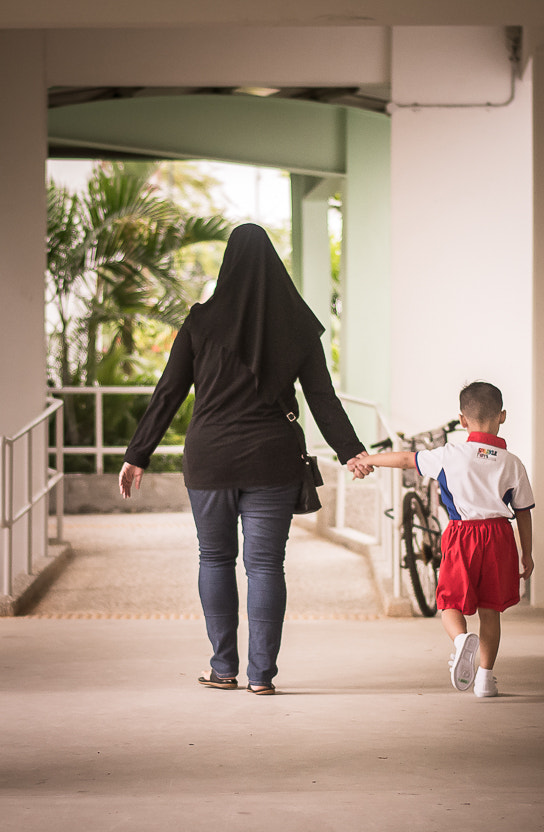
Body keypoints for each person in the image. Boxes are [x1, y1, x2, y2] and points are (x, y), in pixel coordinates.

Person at [119, 223, 369, 695]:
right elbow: (322, 398)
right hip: (272, 461)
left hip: (211, 457)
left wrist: (139, 454)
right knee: (266, 566)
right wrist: (350, 451)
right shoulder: (298, 326)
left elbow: (169, 392)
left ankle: (223, 668)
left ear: (228, 265)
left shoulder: (200, 321)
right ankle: (261, 677)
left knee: (214, 558)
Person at [354, 382, 534, 697]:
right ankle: (485, 679)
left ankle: (461, 640)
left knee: (449, 602)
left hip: (462, 535)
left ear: (462, 420)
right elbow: (523, 513)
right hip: (499, 538)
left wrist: (368, 460)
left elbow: (407, 460)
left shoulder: (449, 454)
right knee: (491, 610)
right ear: (502, 416)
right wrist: (526, 554)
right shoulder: (512, 463)